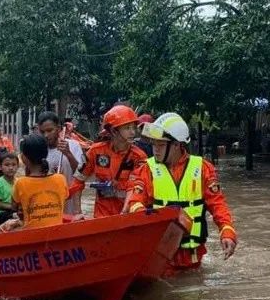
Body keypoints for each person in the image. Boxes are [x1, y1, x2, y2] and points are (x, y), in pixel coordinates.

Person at [127, 112, 237, 273]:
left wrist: (227, 230)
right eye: (154, 144)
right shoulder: (145, 170)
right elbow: (134, 202)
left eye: (161, 145)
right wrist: (146, 217)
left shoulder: (202, 168)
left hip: (193, 256)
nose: (155, 149)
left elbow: (217, 204)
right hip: (160, 255)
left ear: (177, 145)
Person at [69, 105, 147, 217]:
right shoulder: (95, 151)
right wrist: (78, 213)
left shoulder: (139, 157)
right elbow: (78, 181)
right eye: (127, 128)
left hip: (128, 217)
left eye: (133, 128)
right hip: (101, 217)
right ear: (113, 131)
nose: (133, 133)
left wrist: (125, 212)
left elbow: (138, 189)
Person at [0, 134, 68, 232]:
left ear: (24, 158)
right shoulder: (61, 179)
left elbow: (14, 207)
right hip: (56, 232)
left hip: (31, 234)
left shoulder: (20, 182)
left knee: (3, 228)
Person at [37, 111, 85, 214]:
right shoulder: (39, 151)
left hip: (71, 207)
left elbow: (81, 175)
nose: (46, 135)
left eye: (50, 130)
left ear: (58, 129)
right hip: (48, 209)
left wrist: (68, 154)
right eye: (42, 132)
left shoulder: (74, 146)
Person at [0, 151, 19, 230]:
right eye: (7, 165)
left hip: (15, 211)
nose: (11, 168)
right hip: (2, 213)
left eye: (14, 165)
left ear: (18, 166)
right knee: (14, 216)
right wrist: (13, 208)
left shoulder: (19, 182)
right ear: (0, 167)